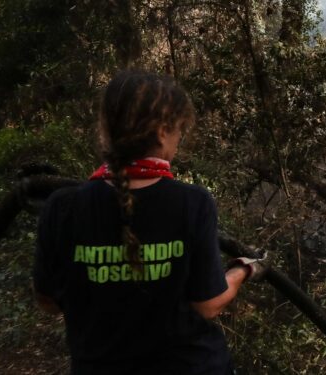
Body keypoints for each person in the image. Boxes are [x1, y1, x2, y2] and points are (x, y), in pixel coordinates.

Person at [32, 71, 262, 374]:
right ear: (163, 131)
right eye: (180, 129)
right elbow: (208, 305)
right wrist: (243, 269)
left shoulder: (61, 207)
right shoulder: (192, 203)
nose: (180, 138)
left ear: (105, 128)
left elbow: (48, 301)